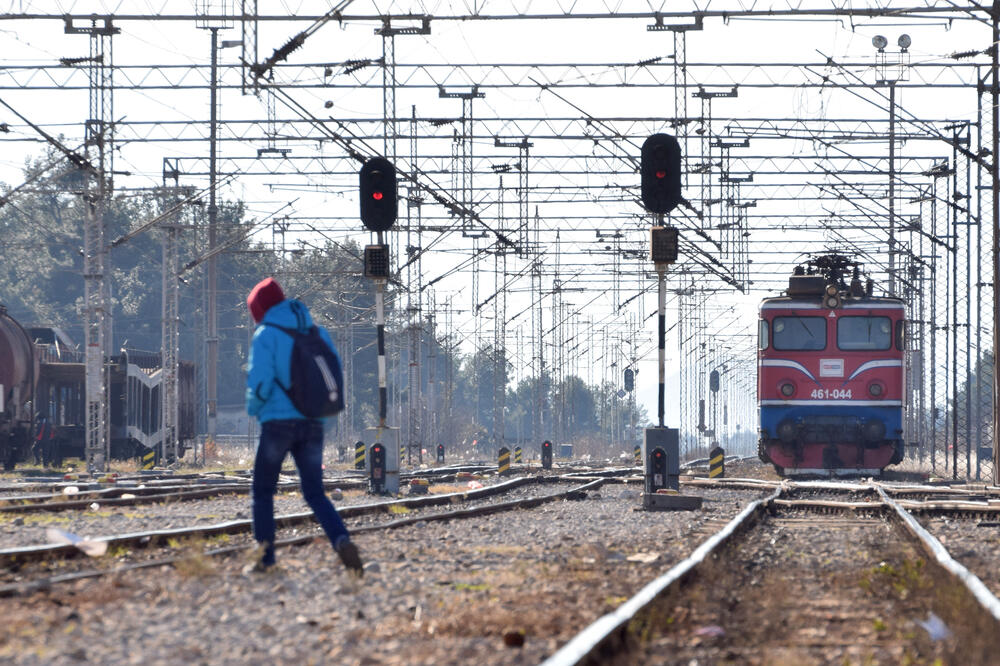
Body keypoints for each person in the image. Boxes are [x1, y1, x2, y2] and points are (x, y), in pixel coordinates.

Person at [245, 277, 362, 575]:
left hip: (277, 424)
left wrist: (254, 409)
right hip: (312, 423)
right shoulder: (317, 332)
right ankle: (341, 539)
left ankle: (266, 561)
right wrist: (321, 419)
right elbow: (333, 378)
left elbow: (260, 382)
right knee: (314, 492)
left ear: (260, 309)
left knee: (262, 492)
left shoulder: (266, 334)